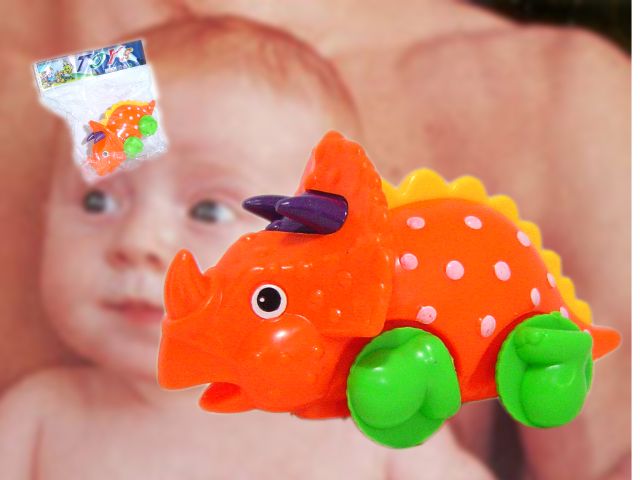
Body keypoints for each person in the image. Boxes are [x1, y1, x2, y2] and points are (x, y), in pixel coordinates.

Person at [0, 17, 494, 479]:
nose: (137, 241)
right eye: (97, 200)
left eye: (208, 211)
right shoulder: (41, 418)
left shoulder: (372, 411)